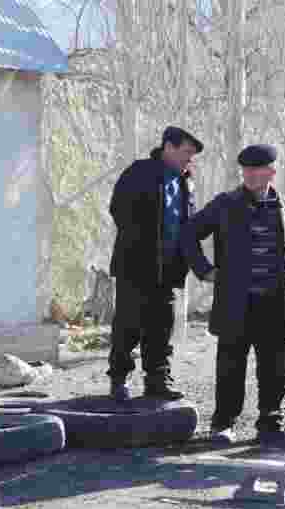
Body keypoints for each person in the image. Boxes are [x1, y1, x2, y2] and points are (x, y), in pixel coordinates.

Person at [183, 144, 285, 444]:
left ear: (271, 172)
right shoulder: (225, 204)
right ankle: (223, 423)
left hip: (274, 303)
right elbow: (189, 233)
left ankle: (270, 423)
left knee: (274, 367)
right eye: (246, 170)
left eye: (256, 169)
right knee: (230, 365)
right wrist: (205, 270)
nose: (249, 175)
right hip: (237, 302)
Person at [107, 126, 203, 403]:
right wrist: (144, 243)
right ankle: (119, 380)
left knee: (161, 327)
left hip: (169, 270)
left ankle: (157, 381)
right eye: (186, 152)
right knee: (128, 325)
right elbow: (118, 209)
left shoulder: (186, 181)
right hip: (136, 267)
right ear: (168, 147)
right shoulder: (140, 172)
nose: (190, 160)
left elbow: (187, 223)